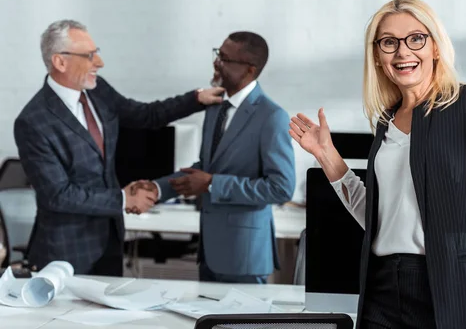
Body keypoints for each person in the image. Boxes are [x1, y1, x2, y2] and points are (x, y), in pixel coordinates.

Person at [289, 0, 466, 329]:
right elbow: (378, 216)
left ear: (436, 48)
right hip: (383, 288)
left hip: (454, 288)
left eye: (415, 38)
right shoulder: (386, 120)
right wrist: (326, 155)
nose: (402, 52)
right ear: (378, 57)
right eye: (389, 42)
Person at [14, 19, 224, 276]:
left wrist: (196, 99)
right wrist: (124, 198)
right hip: (66, 251)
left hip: (111, 241)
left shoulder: (97, 90)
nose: (99, 63)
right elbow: (58, 195)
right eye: (89, 56)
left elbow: (145, 115)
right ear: (60, 62)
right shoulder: (33, 121)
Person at [137, 31, 295, 284]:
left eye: (224, 58)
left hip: (244, 255)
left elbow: (281, 188)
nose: (216, 63)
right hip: (209, 251)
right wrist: (156, 189)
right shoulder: (215, 107)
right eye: (217, 54)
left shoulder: (271, 116)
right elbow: (204, 169)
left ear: (249, 70)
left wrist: (212, 184)